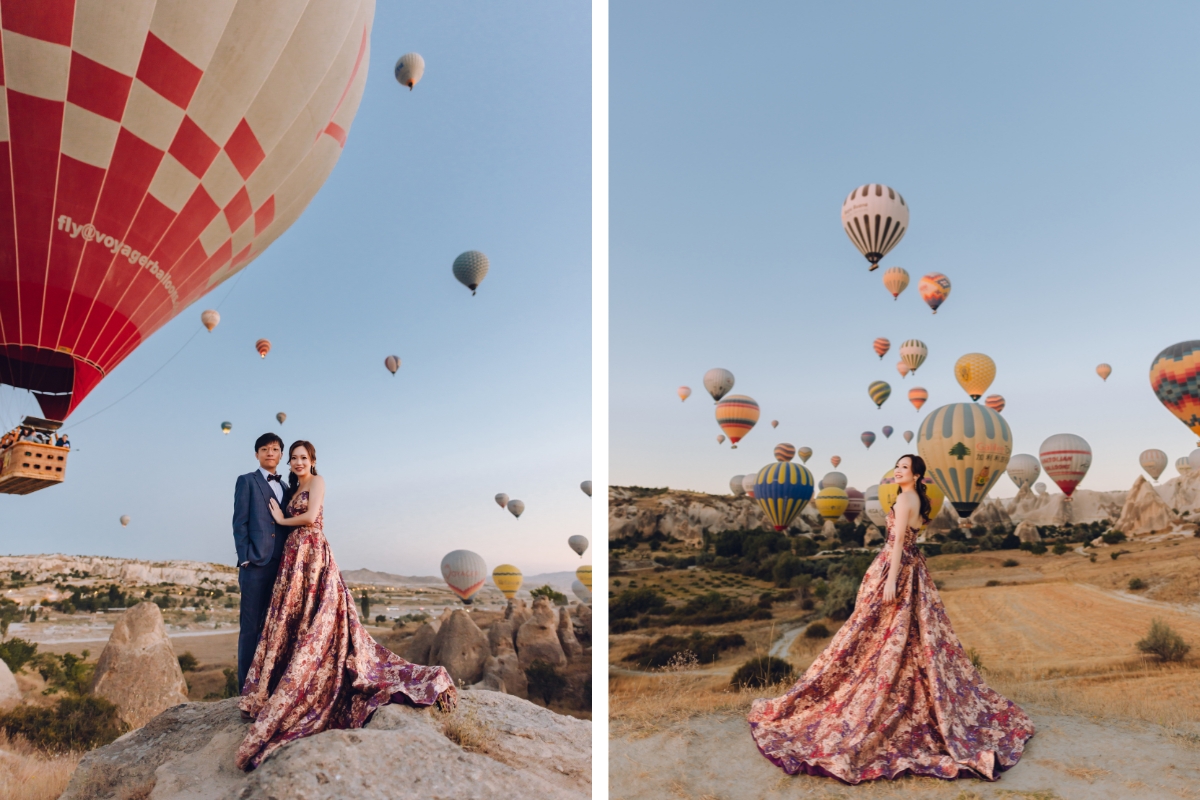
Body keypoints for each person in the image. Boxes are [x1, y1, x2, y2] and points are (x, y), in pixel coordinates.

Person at [747, 454, 1035, 783]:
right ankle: (907, 685)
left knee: (873, 631)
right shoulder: (914, 498)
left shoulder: (904, 499)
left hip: (897, 566)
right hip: (915, 568)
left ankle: (885, 687)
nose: (897, 471)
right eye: (896, 467)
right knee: (913, 634)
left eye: (903, 468)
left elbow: (897, 542)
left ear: (916, 475)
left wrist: (890, 578)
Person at [235, 440, 456, 770]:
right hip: (293, 557)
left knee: (319, 618)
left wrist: (281, 521)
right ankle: (278, 679)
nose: (296, 462)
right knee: (293, 620)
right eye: (293, 458)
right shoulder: (290, 486)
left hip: (311, 551)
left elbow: (310, 517)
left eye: (302, 457)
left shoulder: (317, 482)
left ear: (313, 460)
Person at [232, 433, 291, 696]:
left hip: (282, 567)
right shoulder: (247, 481)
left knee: (275, 628)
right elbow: (239, 522)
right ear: (257, 454)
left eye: (275, 449)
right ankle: (245, 689)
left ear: (281, 455)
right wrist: (245, 558)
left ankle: (267, 686)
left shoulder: (288, 488)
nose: (270, 453)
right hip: (255, 565)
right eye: (264, 449)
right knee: (250, 628)